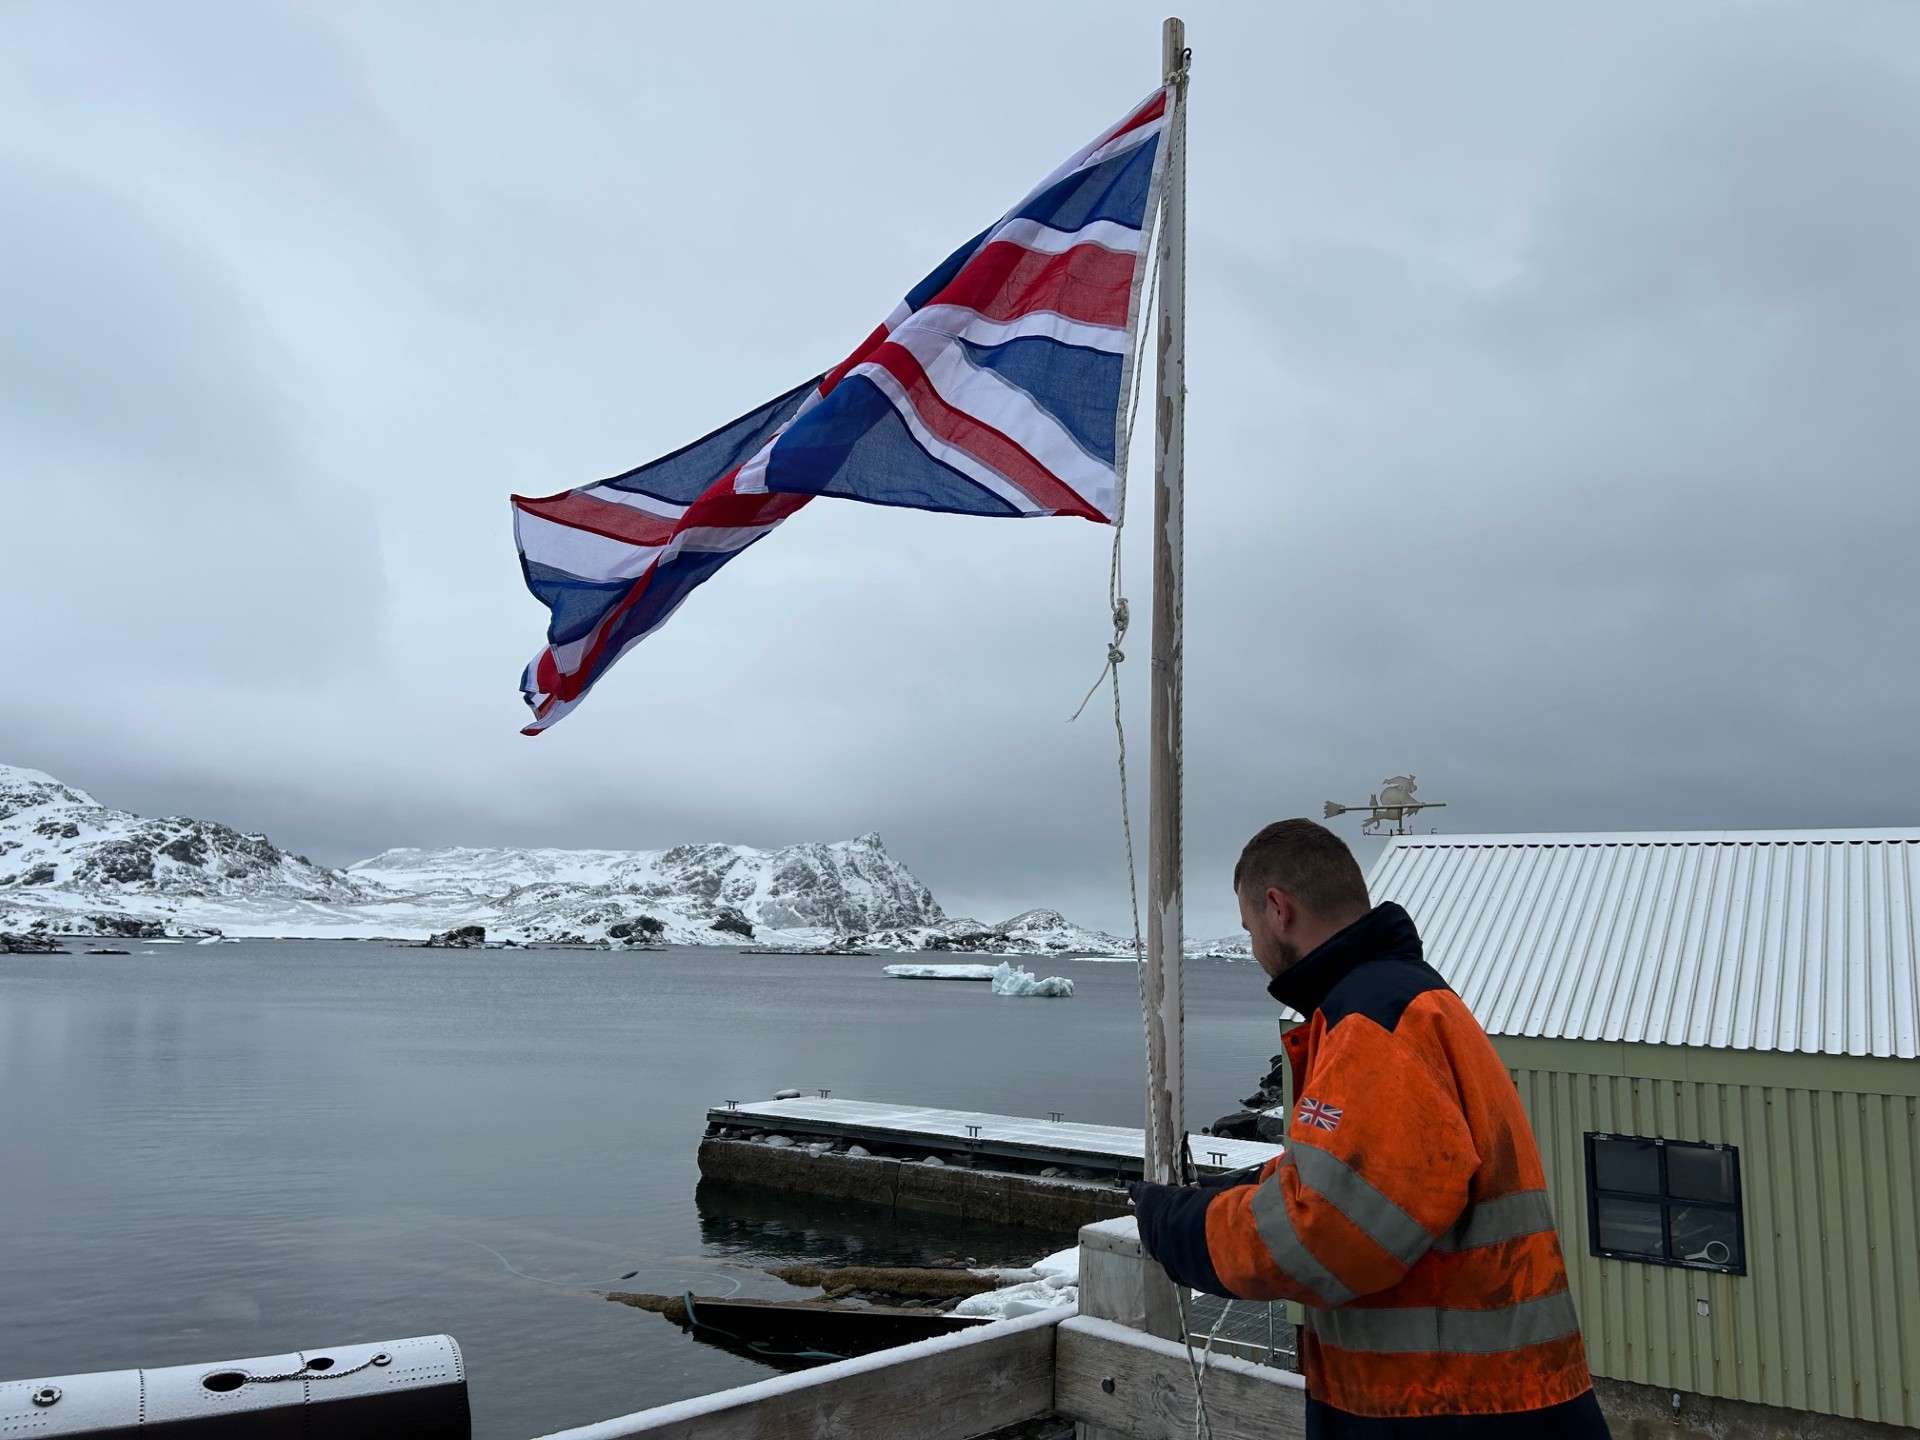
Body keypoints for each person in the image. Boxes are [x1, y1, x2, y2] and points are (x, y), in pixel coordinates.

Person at [1129, 819, 1611, 1438]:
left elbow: (1328, 1233)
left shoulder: (1372, 1022)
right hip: (1493, 1396)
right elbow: (1369, 1181)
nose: (1252, 949)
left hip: (1448, 1408)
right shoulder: (1406, 999)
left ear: (1279, 909)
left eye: (1249, 929)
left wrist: (1178, 1227)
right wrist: (1239, 1191)